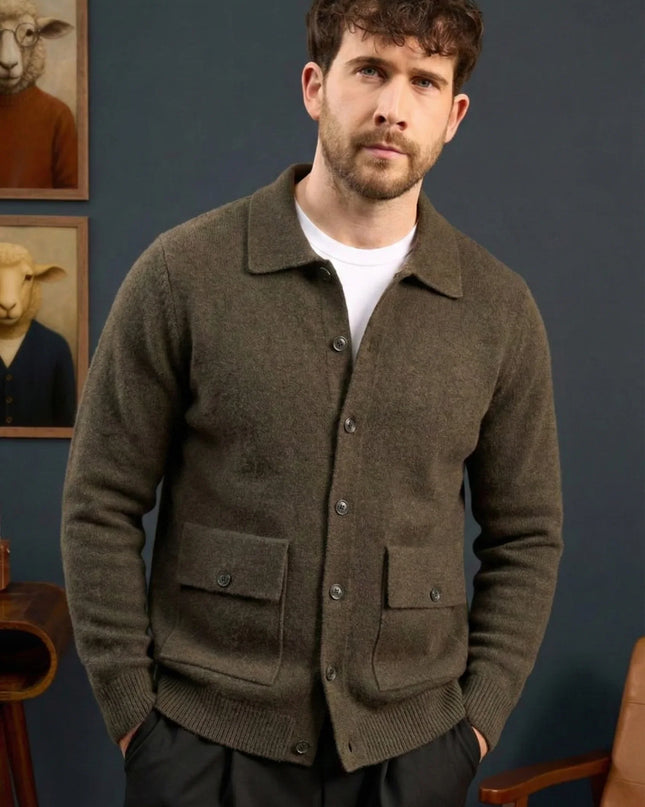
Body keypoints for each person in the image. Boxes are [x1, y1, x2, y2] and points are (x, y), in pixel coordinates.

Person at [61, 1, 563, 805]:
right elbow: (100, 501)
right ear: (313, 85)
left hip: (412, 756)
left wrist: (474, 724)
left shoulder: (499, 310)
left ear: (454, 114)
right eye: (368, 70)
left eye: (423, 82)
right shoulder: (183, 275)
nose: (392, 107)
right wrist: (134, 717)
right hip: (202, 750)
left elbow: (528, 535)